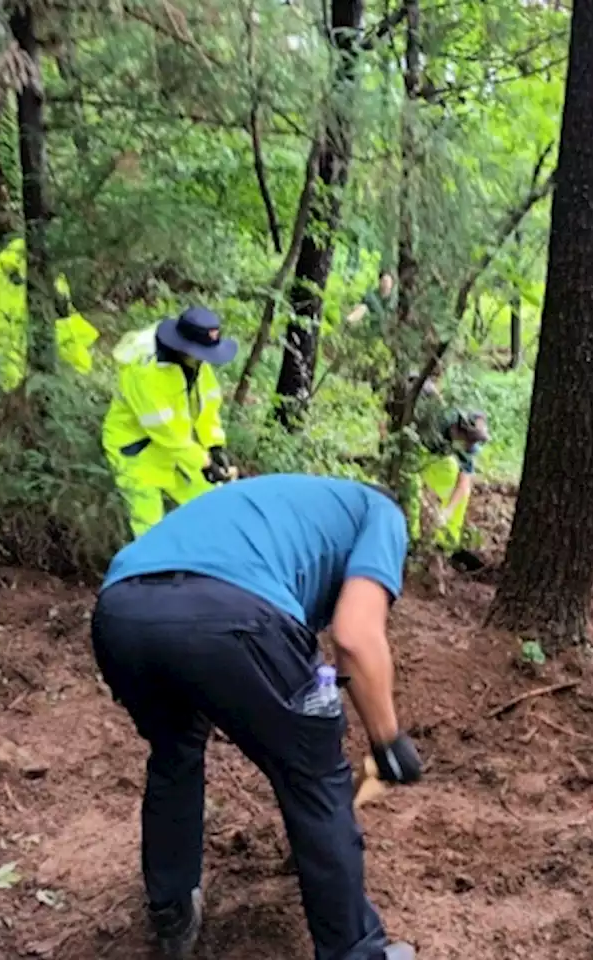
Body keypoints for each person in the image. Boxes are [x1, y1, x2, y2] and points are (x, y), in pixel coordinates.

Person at [91, 475, 422, 960]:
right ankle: (357, 952)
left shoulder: (284, 503)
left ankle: (172, 908)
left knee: (175, 750)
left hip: (121, 613)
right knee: (316, 774)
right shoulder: (383, 515)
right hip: (233, 613)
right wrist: (387, 740)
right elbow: (354, 634)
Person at [102, 307, 238, 538]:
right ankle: (147, 571)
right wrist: (203, 463)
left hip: (178, 449)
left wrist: (215, 446)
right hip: (137, 450)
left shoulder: (196, 364)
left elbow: (208, 406)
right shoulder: (145, 372)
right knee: (149, 528)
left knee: (212, 504)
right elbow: (164, 429)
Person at [0, 238, 99, 391]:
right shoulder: (43, 271)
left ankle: (9, 395)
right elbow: (63, 305)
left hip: (2, 328)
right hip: (32, 327)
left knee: (8, 364)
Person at [408, 374, 490, 563]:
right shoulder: (435, 421)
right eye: (466, 441)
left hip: (437, 455)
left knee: (458, 489)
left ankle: (445, 545)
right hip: (416, 446)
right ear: (457, 430)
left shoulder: (466, 442)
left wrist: (446, 512)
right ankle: (411, 543)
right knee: (412, 486)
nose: (468, 447)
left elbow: (464, 480)